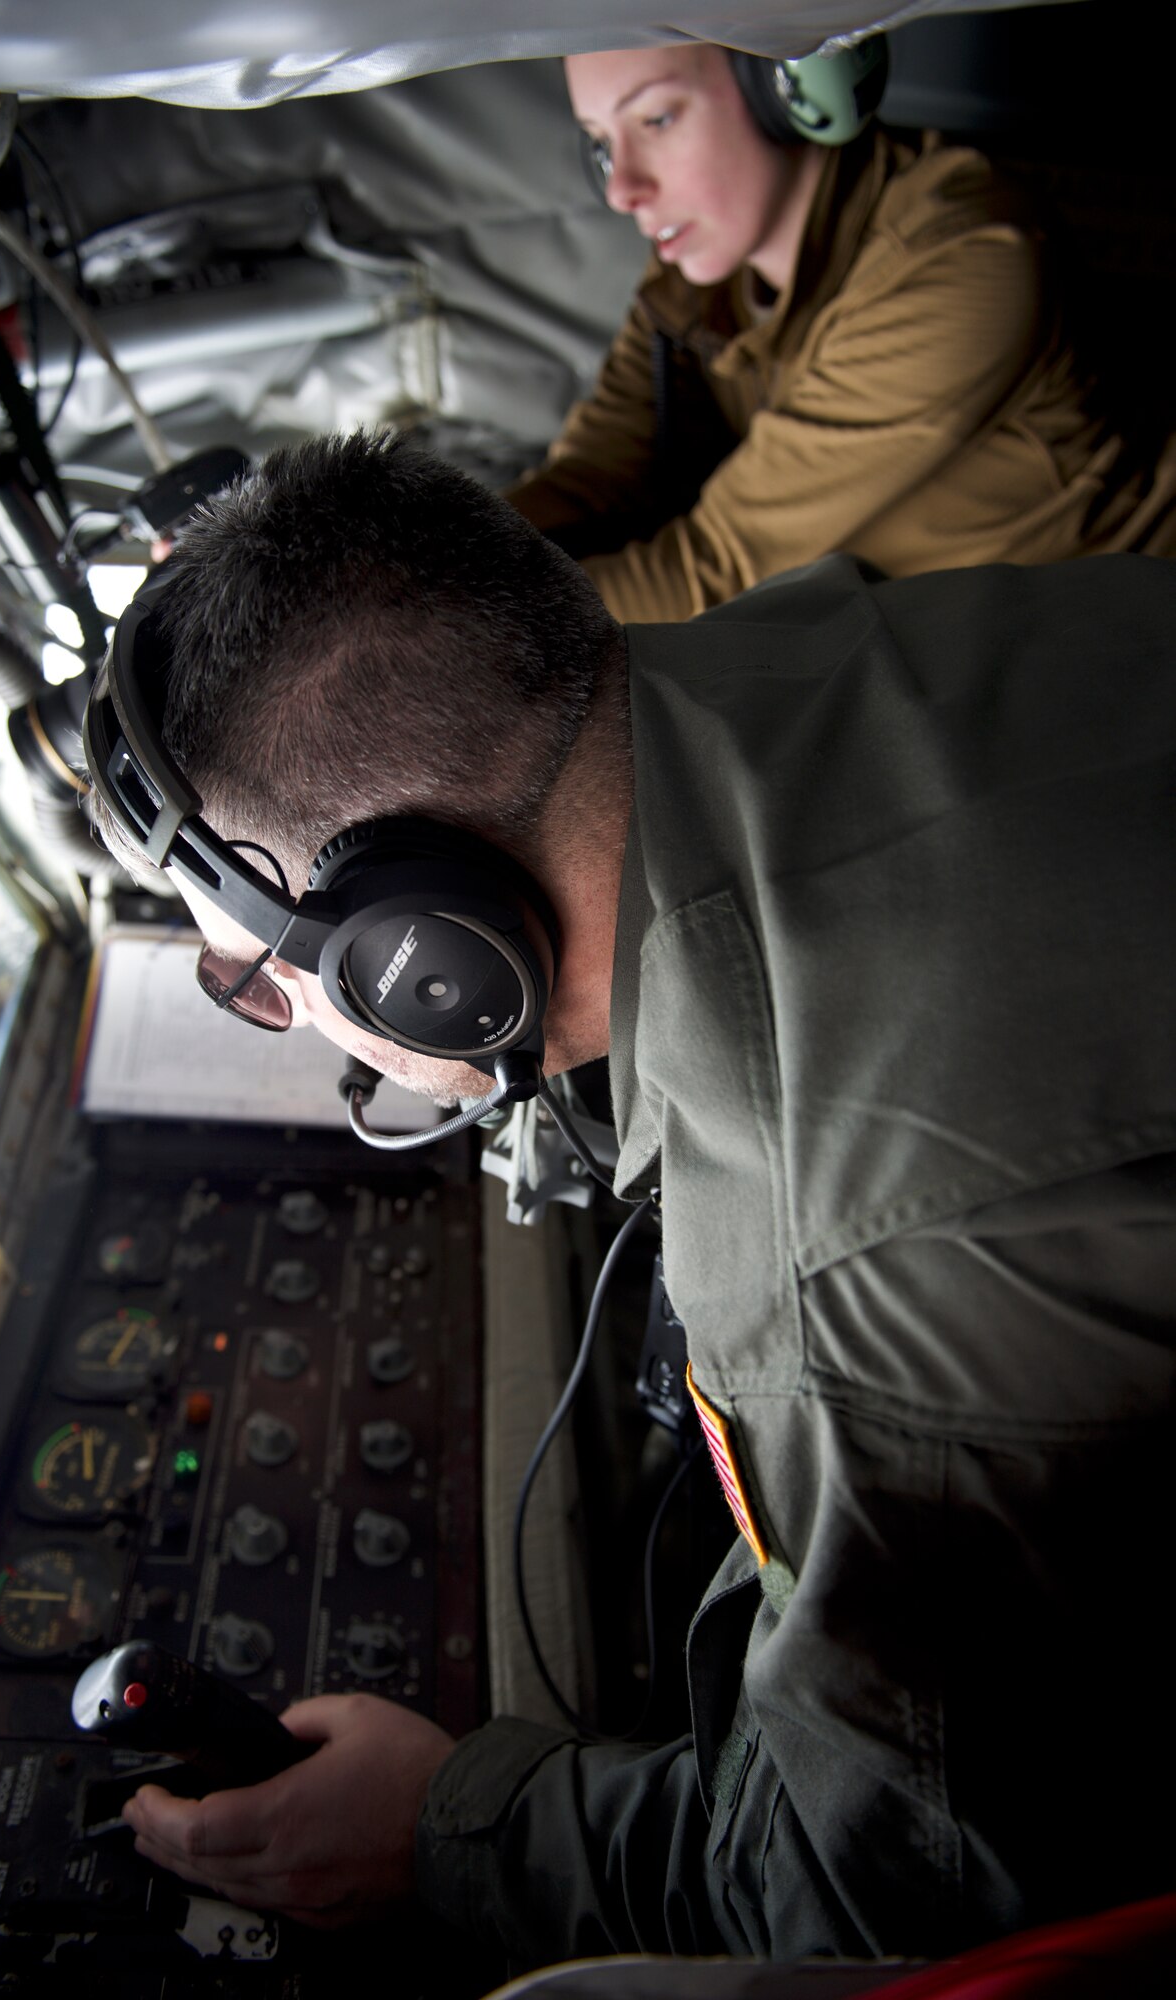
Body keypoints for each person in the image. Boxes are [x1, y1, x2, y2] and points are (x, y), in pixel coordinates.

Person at [92, 433, 1176, 1976]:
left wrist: (451, 1824)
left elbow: (882, 1911)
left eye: (261, 980)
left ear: (419, 956)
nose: (291, 1020)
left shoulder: (841, 1261)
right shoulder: (811, 643)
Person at [504, 41, 1176, 622]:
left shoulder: (965, 256)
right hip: (951, 658)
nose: (620, 188)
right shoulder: (695, 272)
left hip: (1121, 655)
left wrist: (446, 620)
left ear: (786, 84)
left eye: (656, 118)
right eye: (599, 142)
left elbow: (711, 571)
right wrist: (416, 557)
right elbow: (593, 474)